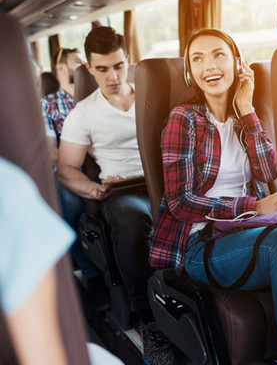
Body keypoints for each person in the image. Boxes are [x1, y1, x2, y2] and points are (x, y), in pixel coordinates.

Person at [149, 28, 277, 365]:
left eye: (218, 55)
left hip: (246, 231)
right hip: (201, 243)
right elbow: (180, 202)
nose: (208, 66)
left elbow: (269, 171)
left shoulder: (244, 116)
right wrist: (253, 207)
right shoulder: (183, 119)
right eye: (197, 59)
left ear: (237, 63)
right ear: (190, 72)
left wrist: (246, 109)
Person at [56, 27, 169, 363]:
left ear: (128, 61)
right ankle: (149, 322)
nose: (112, 76)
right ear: (89, 69)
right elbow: (66, 169)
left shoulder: (153, 97)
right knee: (131, 219)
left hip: (167, 184)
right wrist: (95, 189)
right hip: (124, 192)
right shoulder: (83, 114)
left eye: (118, 66)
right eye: (102, 69)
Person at [0, 157, 124, 365]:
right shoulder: (10, 192)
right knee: (66, 196)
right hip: (62, 167)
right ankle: (89, 271)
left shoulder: (9, 189)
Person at [40, 48, 104, 302]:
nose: (83, 67)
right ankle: (90, 273)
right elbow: (51, 151)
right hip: (71, 169)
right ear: (62, 69)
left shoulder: (99, 98)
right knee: (69, 199)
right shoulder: (49, 104)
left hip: (103, 165)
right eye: (77, 63)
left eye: (85, 63)